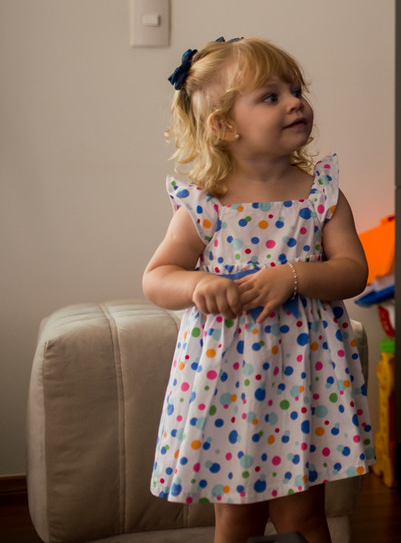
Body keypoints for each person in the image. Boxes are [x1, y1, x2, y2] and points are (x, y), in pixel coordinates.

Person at [143, 36, 374, 543]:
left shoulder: (323, 196)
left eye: (296, 89)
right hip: (229, 383)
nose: (295, 102)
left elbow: (353, 272)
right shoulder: (206, 204)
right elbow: (157, 278)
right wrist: (200, 282)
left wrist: (293, 277)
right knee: (237, 519)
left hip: (302, 377)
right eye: (270, 97)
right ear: (225, 126)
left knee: (302, 517)